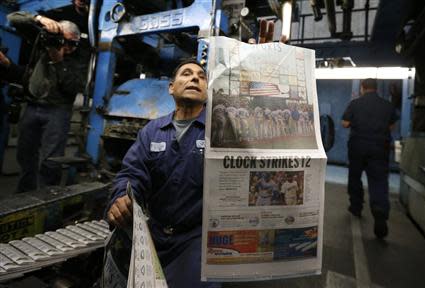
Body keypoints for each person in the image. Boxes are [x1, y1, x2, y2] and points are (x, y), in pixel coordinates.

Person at [106, 21, 282, 287]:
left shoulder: (223, 129)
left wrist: (263, 64)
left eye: (201, 77)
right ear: (171, 88)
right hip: (153, 233)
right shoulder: (152, 131)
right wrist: (121, 196)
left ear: (208, 92)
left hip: (198, 239)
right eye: (186, 74)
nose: (194, 79)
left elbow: (255, 144)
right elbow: (132, 172)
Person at [8, 12, 88, 192]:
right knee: (25, 155)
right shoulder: (43, 42)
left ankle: (47, 199)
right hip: (33, 106)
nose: (65, 47)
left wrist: (59, 62)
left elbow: (73, 86)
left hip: (58, 111)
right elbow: (13, 18)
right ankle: (24, 195)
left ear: (76, 42)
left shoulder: (80, 57)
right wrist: (40, 19)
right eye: (62, 41)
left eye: (71, 44)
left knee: (51, 161)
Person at [342, 78, 397, 239]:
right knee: (379, 181)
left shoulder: (355, 104)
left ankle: (356, 207)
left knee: (355, 177)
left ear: (362, 88)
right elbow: (391, 126)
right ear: (376, 88)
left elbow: (345, 123)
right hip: (379, 149)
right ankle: (379, 211)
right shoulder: (387, 105)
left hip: (358, 147)